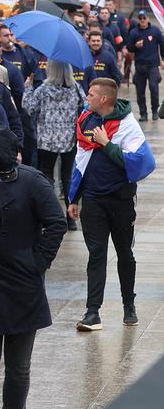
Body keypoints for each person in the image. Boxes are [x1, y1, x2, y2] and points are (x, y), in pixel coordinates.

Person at [0, 160, 65, 409]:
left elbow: (56, 222)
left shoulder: (32, 181)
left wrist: (39, 262)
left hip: (23, 286)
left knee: (18, 367)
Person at [68, 77, 154, 330]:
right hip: (93, 200)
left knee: (125, 253)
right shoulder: (86, 119)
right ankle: (92, 312)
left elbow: (141, 163)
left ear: (104, 99)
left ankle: (129, 304)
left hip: (120, 200)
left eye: (91, 94)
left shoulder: (127, 124)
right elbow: (80, 159)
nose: (87, 97)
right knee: (96, 254)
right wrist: (74, 197)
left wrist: (106, 144)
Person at [23, 60, 83, 204]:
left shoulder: (44, 89)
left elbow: (29, 107)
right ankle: (71, 219)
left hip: (47, 139)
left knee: (46, 174)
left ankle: (49, 211)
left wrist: (28, 88)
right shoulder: (75, 88)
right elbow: (84, 104)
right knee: (67, 176)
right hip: (69, 138)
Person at [123, 8, 163, 119]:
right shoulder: (134, 32)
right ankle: (143, 113)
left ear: (148, 19)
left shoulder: (155, 30)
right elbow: (129, 47)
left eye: (144, 18)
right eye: (140, 18)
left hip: (153, 65)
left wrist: (163, 59)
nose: (142, 20)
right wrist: (135, 46)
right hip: (140, 65)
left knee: (153, 87)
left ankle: (155, 110)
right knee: (140, 91)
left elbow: (162, 44)